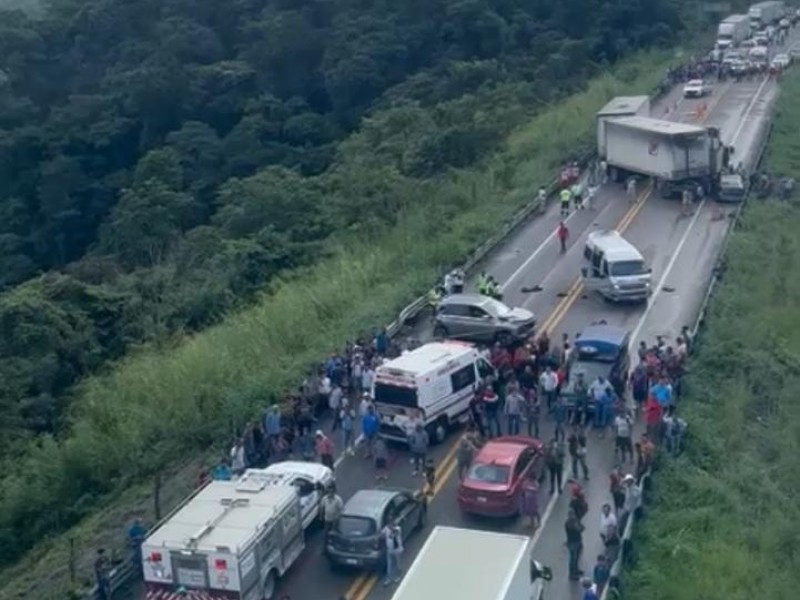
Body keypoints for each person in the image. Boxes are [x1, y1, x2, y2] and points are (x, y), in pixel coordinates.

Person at [564, 509, 585, 581]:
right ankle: (571, 574)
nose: (572, 516)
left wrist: (579, 526)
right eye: (571, 515)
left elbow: (582, 527)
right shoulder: (568, 523)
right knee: (573, 558)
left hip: (578, 540)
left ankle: (576, 570)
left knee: (577, 557)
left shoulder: (575, 520)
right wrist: (578, 526)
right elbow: (579, 529)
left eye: (573, 514)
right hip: (572, 542)